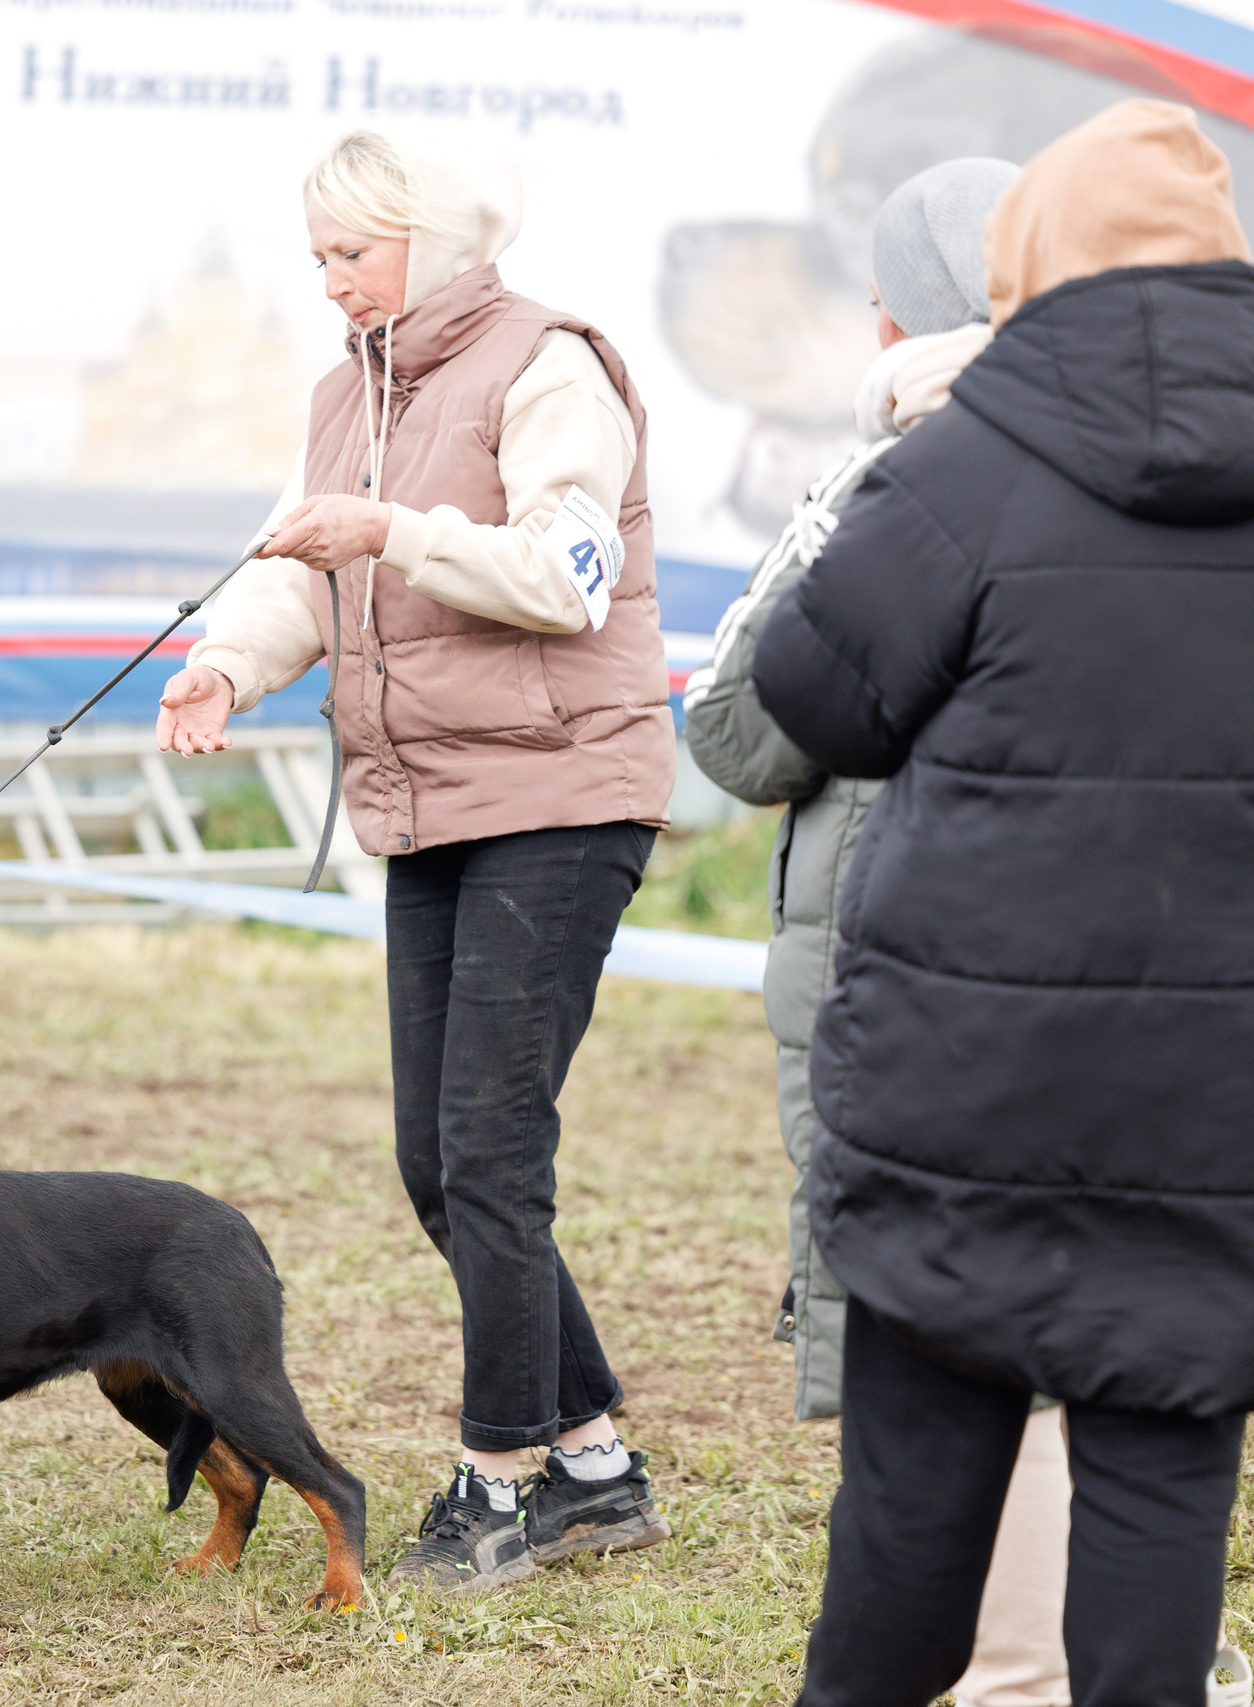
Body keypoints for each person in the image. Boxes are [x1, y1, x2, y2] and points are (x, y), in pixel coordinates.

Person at [751, 100, 1254, 1706]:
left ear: (1026, 265)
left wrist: (889, 451)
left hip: (959, 1101)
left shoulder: (969, 458)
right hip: (1214, 1118)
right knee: (1163, 1505)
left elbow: (808, 702)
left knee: (910, 1517)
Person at [156, 127, 676, 1592]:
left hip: (564, 797)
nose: (328, 284)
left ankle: (499, 1479)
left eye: (350, 255)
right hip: (429, 801)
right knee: (431, 1159)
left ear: (431, 243)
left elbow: (566, 579)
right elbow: (312, 572)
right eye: (316, 258)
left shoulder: (549, 364)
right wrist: (228, 665)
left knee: (492, 1155)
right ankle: (597, 1467)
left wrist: (393, 524)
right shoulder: (351, 392)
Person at [684, 157, 1081, 1707]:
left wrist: (820, 503)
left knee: (933, 1350)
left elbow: (739, 735)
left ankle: (1008, 1670)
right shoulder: (1136, 454)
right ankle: (1098, 1646)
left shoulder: (900, 480)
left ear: (898, 314)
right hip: (1092, 974)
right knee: (1075, 1324)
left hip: (896, 971)